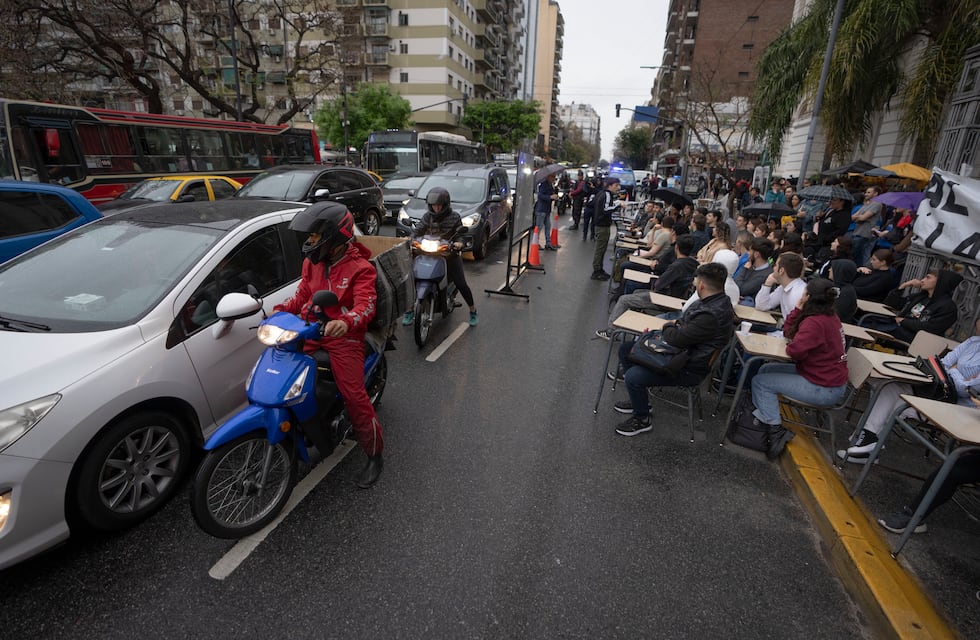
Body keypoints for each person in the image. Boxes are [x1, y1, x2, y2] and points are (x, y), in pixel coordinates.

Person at [275, 202, 385, 488]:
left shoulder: (361, 269)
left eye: (315, 236)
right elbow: (300, 297)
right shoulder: (311, 263)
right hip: (310, 329)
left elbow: (366, 306)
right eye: (309, 236)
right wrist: (275, 312)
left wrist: (346, 321)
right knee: (284, 375)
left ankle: (374, 455)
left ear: (334, 237)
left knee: (354, 396)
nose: (309, 241)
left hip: (344, 338)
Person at [611, 262, 735, 436]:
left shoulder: (710, 314)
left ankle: (642, 418)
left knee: (633, 375)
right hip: (684, 354)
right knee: (627, 349)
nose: (694, 284)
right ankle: (641, 402)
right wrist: (675, 327)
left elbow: (677, 339)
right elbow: (683, 326)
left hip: (688, 367)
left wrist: (668, 326)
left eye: (696, 281)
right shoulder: (717, 301)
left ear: (701, 284)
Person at [840, 317, 980, 466]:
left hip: (956, 408)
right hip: (936, 392)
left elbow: (966, 390)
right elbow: (942, 363)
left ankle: (866, 444)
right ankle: (867, 442)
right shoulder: (972, 341)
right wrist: (955, 372)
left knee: (894, 399)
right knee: (888, 387)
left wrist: (953, 370)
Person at [751, 278, 849, 459]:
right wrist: (797, 309)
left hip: (824, 386)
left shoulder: (815, 322)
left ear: (808, 296)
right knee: (766, 370)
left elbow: (795, 350)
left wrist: (797, 313)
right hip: (823, 378)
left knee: (760, 382)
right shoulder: (829, 316)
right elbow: (790, 334)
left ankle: (774, 431)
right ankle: (764, 418)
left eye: (804, 293)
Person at [403, 187, 478, 327]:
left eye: (439, 205)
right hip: (427, 253)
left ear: (445, 205)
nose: (436, 208)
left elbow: (461, 234)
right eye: (433, 205)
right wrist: (410, 239)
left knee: (461, 283)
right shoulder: (427, 217)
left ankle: (472, 310)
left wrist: (459, 243)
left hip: (448, 255)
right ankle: (410, 310)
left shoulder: (454, 217)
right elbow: (418, 230)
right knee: (411, 279)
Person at [880, 269, 963, 343]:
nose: (922, 280)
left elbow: (929, 328)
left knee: (873, 324)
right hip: (898, 329)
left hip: (914, 339)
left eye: (928, 277)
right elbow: (891, 304)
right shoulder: (921, 297)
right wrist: (903, 286)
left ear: (940, 282)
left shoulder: (947, 307)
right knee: (873, 320)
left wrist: (902, 321)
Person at [754, 252, 807, 321]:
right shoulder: (783, 287)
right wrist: (767, 284)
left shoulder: (798, 294)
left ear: (781, 271)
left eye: (775, 265)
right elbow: (761, 306)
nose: (773, 268)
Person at [591, 177, 622, 280]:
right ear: (610, 185)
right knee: (600, 249)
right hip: (602, 226)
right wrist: (618, 205)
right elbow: (605, 209)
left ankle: (600, 269)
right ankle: (596, 271)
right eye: (616, 185)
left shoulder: (602, 193)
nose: (618, 188)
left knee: (602, 248)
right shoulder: (607, 194)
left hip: (600, 224)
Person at [734, 237, 775, 306]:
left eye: (750, 250)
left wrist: (744, 269)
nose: (748, 253)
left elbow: (740, 289)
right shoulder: (751, 266)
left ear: (757, 254)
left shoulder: (765, 275)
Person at [850, 185, 883, 268]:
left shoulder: (877, 204)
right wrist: (860, 217)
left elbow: (863, 217)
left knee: (862, 255)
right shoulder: (866, 204)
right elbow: (853, 217)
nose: (866, 194)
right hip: (857, 232)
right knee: (856, 255)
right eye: (866, 192)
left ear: (875, 193)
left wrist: (860, 218)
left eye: (869, 192)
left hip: (865, 234)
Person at [814, 196, 852, 266]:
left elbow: (840, 230)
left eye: (834, 200)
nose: (831, 201)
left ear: (842, 202)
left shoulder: (844, 215)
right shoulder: (831, 211)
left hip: (830, 245)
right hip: (821, 242)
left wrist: (827, 238)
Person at [535, 173, 560, 250]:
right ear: (548, 177)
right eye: (552, 177)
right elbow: (540, 195)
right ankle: (535, 243)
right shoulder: (543, 185)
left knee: (548, 226)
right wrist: (550, 197)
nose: (553, 179)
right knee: (539, 227)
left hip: (547, 209)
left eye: (554, 177)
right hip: (541, 209)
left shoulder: (550, 185)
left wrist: (554, 196)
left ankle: (548, 243)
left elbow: (550, 195)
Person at [829, 258, 858, 324]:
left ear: (840, 271)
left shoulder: (845, 293)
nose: (829, 270)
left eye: (832, 268)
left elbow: (836, 314)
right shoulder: (838, 287)